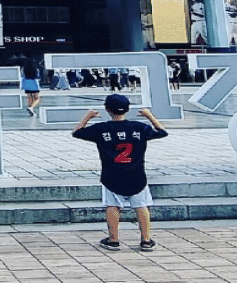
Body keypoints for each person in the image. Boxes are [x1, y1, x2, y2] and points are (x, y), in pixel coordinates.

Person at [72, 93, 169, 252]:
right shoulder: (139, 128)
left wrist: (87, 116)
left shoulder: (101, 129)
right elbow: (162, 132)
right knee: (141, 206)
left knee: (112, 206)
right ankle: (145, 239)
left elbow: (77, 132)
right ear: (128, 109)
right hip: (137, 175)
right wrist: (150, 116)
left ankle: (113, 239)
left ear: (107, 109)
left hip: (112, 175)